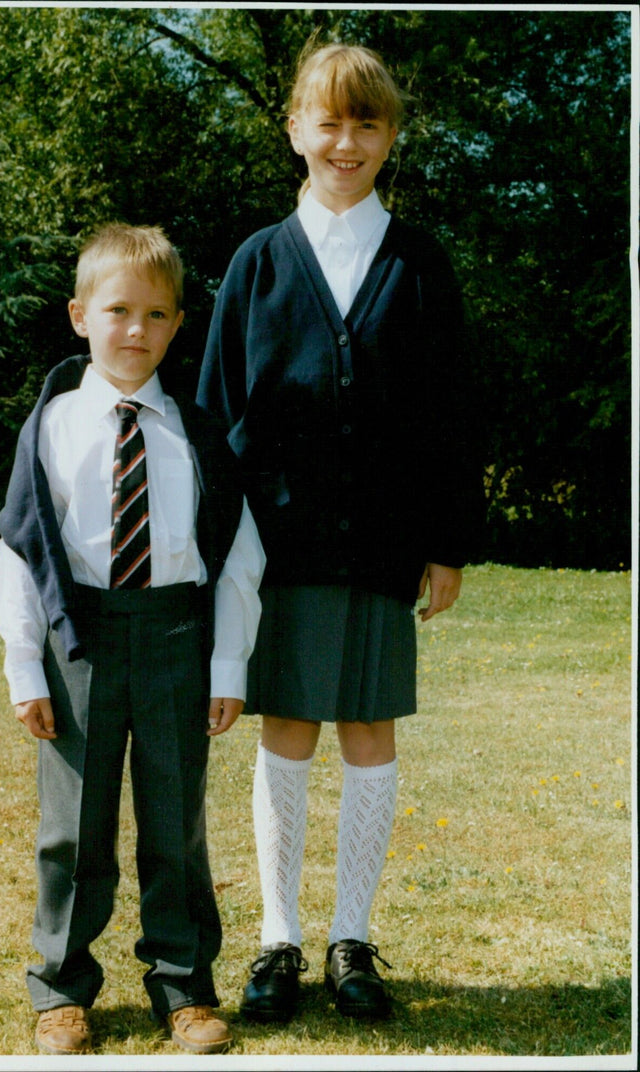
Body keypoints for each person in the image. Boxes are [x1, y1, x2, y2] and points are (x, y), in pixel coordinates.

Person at [197, 41, 482, 1025]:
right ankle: (277, 938)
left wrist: (444, 540)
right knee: (286, 728)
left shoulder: (418, 262)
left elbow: (450, 412)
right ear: (293, 129)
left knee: (367, 730)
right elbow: (214, 410)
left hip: (380, 541)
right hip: (274, 550)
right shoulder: (256, 264)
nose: (344, 139)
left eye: (366, 123)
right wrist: (212, 546)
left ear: (388, 137)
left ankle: (349, 937)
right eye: (326, 120)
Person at [0, 222, 265, 1056]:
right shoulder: (54, 429)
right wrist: (24, 668)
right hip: (83, 639)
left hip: (179, 635)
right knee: (74, 823)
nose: (135, 330)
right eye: (117, 311)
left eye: (155, 314)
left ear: (179, 324)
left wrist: (226, 664)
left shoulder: (199, 435)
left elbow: (238, 556)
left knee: (174, 819)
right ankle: (60, 986)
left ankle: (183, 985)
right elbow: (22, 552)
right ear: (80, 316)